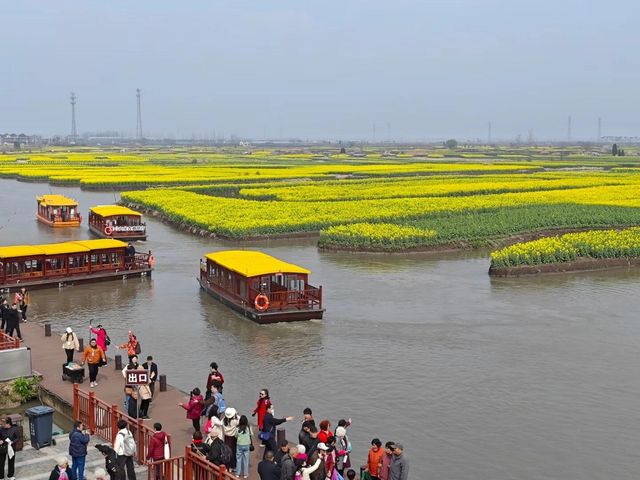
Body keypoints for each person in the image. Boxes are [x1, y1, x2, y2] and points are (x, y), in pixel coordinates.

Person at [235, 415, 252, 479]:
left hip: (239, 444)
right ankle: (245, 474)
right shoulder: (248, 427)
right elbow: (251, 434)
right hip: (247, 444)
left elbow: (235, 435)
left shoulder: (237, 428)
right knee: (246, 459)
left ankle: (238, 473)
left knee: (238, 459)